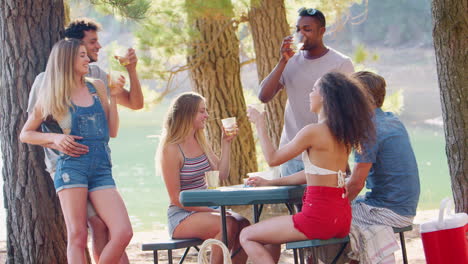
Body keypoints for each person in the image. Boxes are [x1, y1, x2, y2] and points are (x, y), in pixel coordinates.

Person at [27, 18, 142, 263]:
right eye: (84, 53)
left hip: (101, 167)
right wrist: (55, 138)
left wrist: (113, 95)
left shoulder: (98, 84)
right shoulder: (50, 88)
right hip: (69, 167)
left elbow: (114, 129)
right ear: (70, 55)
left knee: (122, 231)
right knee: (79, 234)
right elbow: (27, 132)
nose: (89, 57)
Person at [240, 72, 375, 264]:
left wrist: (260, 123)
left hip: (317, 217)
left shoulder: (313, 132)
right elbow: (315, 173)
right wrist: (271, 182)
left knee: (247, 235)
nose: (309, 94)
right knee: (268, 236)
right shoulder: (342, 134)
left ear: (325, 97)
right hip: (341, 217)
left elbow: (272, 159)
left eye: (313, 90)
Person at [258, 7, 354, 177]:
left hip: (324, 153)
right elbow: (264, 96)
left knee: (322, 202)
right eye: (298, 30)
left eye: (307, 29)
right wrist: (282, 61)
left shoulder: (341, 63)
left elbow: (348, 111)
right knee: (296, 204)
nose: (301, 34)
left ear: (322, 31)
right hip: (292, 153)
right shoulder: (290, 61)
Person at [157, 92, 250, 264]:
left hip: (208, 209)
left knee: (244, 225)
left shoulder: (200, 140)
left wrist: (226, 143)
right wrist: (214, 211)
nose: (207, 115)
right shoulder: (171, 148)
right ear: (187, 114)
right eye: (202, 111)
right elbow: (176, 199)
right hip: (182, 215)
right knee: (227, 224)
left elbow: (221, 175)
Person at [345, 71, 420, 262]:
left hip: (390, 211)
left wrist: (332, 205)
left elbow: (355, 184)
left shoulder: (368, 130)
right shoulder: (391, 120)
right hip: (405, 207)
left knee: (327, 216)